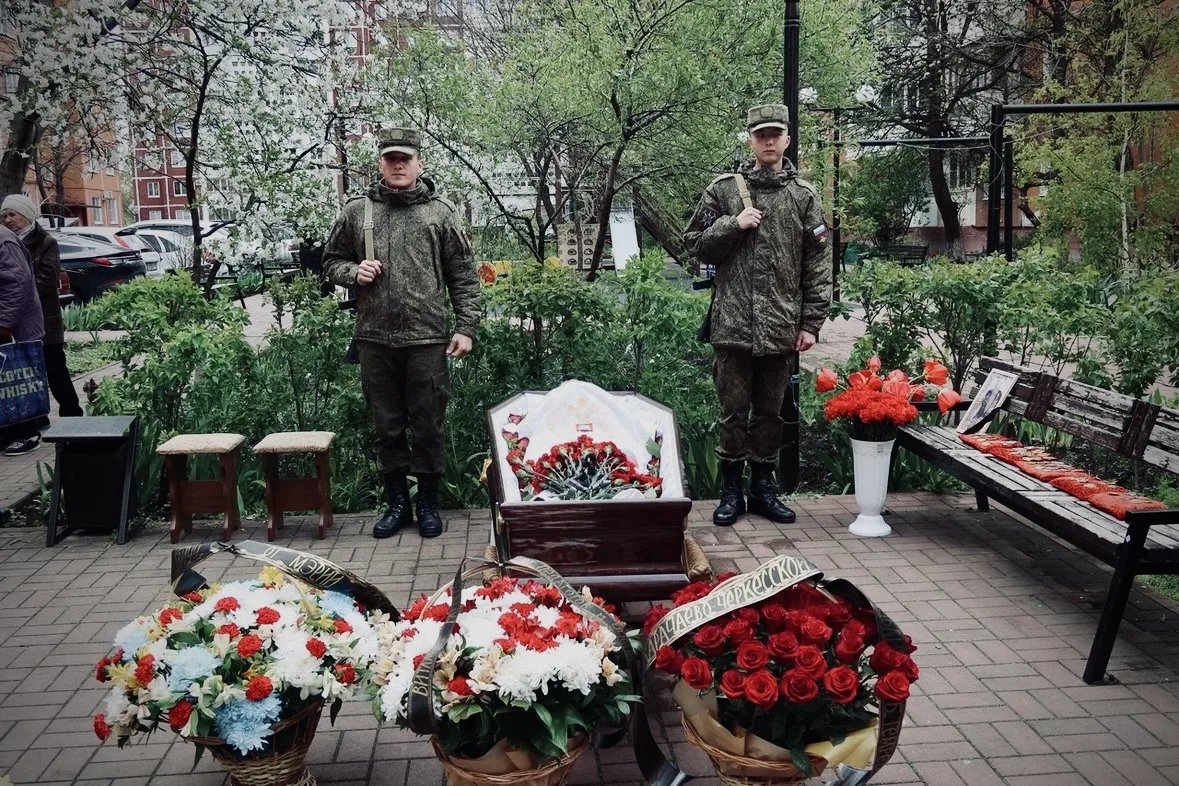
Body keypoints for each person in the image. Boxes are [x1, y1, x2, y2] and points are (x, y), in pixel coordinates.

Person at [323, 128, 482, 539]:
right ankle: (397, 505)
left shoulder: (440, 213)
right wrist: (353, 272)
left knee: (428, 425)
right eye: (391, 159)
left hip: (427, 338)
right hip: (374, 338)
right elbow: (330, 261)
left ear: (418, 164)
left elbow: (463, 275)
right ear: (380, 164)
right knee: (386, 427)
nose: (398, 165)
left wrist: (466, 327)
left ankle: (428, 505)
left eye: (405, 159)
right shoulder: (358, 211)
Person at [683, 104, 832, 527]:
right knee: (732, 413)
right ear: (750, 140)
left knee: (771, 413)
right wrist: (733, 224)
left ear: (787, 140)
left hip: (781, 327)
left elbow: (818, 264)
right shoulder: (724, 191)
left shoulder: (804, 196)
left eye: (775, 134)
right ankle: (731, 492)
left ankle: (763, 489)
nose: (768, 141)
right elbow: (694, 244)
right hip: (732, 325)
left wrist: (811, 323)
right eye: (760, 134)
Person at [2, 195, 83, 420]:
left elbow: (47, 278)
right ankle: (37, 416)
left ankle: (72, 415)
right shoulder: (7, 243)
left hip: (45, 319)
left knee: (55, 369)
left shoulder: (46, 242)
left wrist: (20, 295)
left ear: (27, 215)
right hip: (16, 321)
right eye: (4, 216)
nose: (8, 220)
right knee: (26, 372)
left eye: (13, 214)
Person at [0, 222, 47, 456]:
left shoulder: (3, 241)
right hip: (9, 325)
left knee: (18, 380)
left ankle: (27, 434)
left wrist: (4, 322)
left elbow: (16, 283)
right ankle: (8, 433)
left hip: (14, 328)